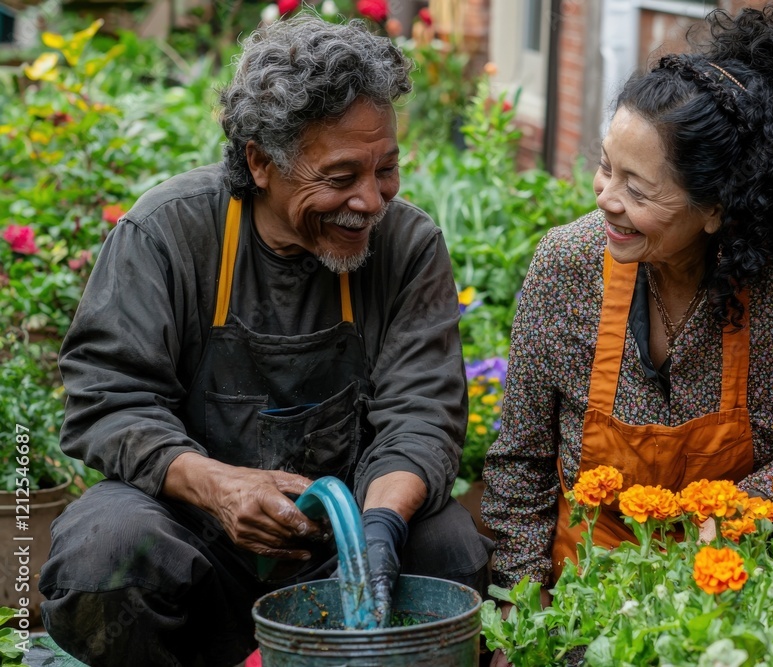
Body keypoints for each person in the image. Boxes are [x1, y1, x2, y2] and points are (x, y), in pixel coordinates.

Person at [39, 14, 491, 667]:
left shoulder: (406, 246)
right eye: (339, 177)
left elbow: (420, 415)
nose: (370, 200)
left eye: (385, 168)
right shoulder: (169, 235)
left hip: (343, 551)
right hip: (193, 540)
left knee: (449, 549)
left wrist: (380, 529)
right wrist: (217, 486)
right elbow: (109, 401)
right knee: (103, 547)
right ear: (259, 161)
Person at [482, 2, 773, 654]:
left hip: (751, 576)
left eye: (637, 186)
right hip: (596, 578)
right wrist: (524, 626)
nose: (605, 197)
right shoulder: (567, 265)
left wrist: (737, 514)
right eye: (606, 167)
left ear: (717, 207)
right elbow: (520, 464)